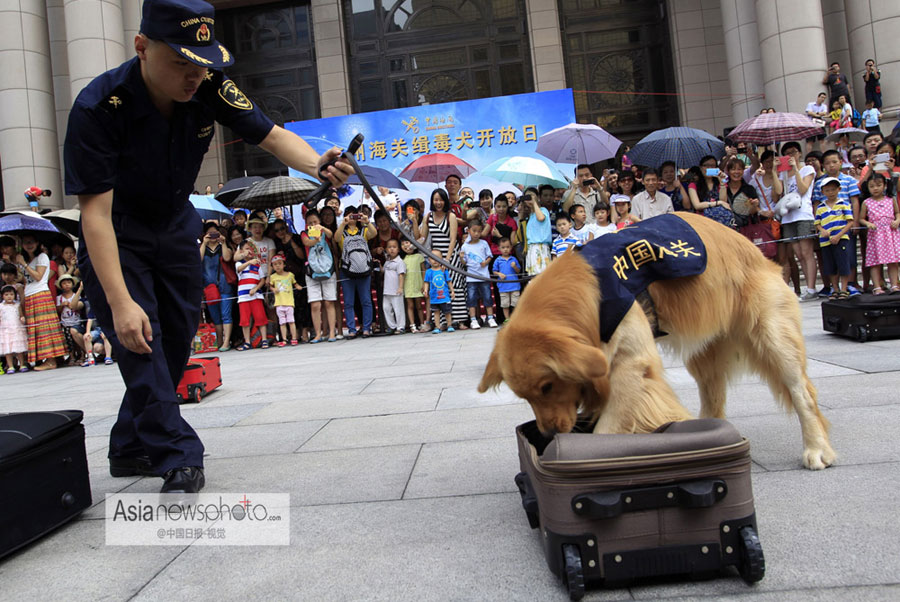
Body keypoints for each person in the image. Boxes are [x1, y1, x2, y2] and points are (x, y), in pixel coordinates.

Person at [63, 0, 352, 493]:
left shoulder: (211, 84)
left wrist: (317, 163)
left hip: (177, 224)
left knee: (174, 340)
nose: (194, 75)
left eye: (202, 62)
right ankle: (178, 453)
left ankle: (129, 445)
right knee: (141, 340)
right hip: (119, 233)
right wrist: (119, 302)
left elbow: (270, 134)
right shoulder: (98, 107)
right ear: (141, 47)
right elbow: (95, 215)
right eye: (180, 62)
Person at [812, 150, 863, 295]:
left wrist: (856, 221)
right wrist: (819, 226)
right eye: (827, 163)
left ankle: (850, 285)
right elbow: (816, 203)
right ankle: (835, 288)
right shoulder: (819, 184)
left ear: (841, 162)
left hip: (845, 224)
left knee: (849, 256)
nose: (831, 165)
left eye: (834, 162)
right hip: (827, 227)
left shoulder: (849, 180)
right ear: (823, 165)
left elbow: (854, 201)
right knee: (831, 260)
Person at [773, 141, 819, 301]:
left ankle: (811, 287)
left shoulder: (807, 169)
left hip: (803, 215)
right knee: (798, 254)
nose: (791, 155)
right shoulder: (783, 173)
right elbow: (778, 192)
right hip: (788, 217)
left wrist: (795, 169)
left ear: (799, 153)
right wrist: (774, 171)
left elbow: (803, 189)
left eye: (793, 152)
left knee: (806, 252)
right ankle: (809, 288)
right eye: (787, 153)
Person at [16, 235, 66, 370]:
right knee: (36, 329)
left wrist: (25, 264)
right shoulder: (26, 259)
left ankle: (51, 361)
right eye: (25, 243)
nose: (28, 245)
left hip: (40, 294)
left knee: (45, 328)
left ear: (37, 243)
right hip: (30, 295)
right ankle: (53, 358)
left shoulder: (42, 257)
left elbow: (38, 277)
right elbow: (26, 280)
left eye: (31, 242)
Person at [420, 188, 466, 328]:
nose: (438, 202)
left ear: (445, 201)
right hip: (436, 257)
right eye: (436, 200)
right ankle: (443, 322)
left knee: (455, 286)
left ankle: (459, 320)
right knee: (439, 287)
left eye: (441, 199)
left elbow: (453, 239)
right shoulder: (428, 216)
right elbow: (422, 237)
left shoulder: (450, 216)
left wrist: (447, 259)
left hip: (450, 255)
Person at [335, 206, 375, 338]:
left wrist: (367, 221)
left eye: (354, 215)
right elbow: (336, 238)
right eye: (349, 215)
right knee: (348, 302)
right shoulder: (343, 232)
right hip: (347, 270)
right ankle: (352, 329)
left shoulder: (363, 230)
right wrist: (343, 223)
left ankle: (367, 328)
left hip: (364, 269)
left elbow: (374, 233)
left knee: (366, 300)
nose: (352, 217)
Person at [271, 218, 311, 343]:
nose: (280, 232)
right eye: (277, 230)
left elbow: (302, 255)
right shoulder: (276, 243)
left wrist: (291, 242)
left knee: (302, 305)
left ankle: (304, 331)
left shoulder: (296, 237)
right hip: (283, 279)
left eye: (282, 228)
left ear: (286, 227)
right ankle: (293, 333)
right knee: (289, 306)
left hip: (298, 275)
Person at [301, 210, 338, 343]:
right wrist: (314, 240)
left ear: (320, 221)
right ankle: (318, 333)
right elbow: (306, 242)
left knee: (329, 301)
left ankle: (332, 332)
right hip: (312, 271)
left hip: (328, 269)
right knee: (315, 304)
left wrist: (322, 229)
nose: (313, 224)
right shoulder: (304, 233)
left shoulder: (325, 232)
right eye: (310, 223)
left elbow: (331, 235)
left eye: (315, 222)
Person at [859, 173, 900, 294]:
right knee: (875, 262)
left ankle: (894, 284)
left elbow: (897, 213)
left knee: (893, 261)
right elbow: (861, 218)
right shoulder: (866, 202)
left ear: (885, 185)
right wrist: (868, 224)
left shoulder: (891, 200)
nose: (875, 188)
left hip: (891, 233)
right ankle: (877, 286)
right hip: (876, 235)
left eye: (878, 185)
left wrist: (897, 221)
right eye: (872, 186)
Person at [814, 177, 854, 299]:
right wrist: (822, 230)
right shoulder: (820, 207)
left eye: (833, 189)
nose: (830, 192)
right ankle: (835, 289)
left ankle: (843, 289)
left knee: (843, 263)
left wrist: (839, 235)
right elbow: (817, 223)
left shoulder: (844, 204)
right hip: (825, 241)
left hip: (841, 238)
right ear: (823, 192)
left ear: (839, 189)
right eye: (827, 190)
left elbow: (850, 222)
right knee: (830, 265)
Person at [199, 221, 234, 351]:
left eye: (215, 233)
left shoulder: (223, 246)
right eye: (210, 233)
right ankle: (219, 340)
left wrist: (223, 242)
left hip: (225, 285)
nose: (213, 235)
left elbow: (227, 258)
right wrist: (204, 243)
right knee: (215, 316)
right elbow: (198, 260)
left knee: (226, 313)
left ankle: (226, 341)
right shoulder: (202, 247)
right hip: (209, 287)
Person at [459, 218, 496, 329]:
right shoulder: (465, 246)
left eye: (479, 231)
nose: (476, 233)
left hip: (484, 276)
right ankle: (473, 319)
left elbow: (490, 256)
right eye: (474, 231)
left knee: (487, 297)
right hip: (471, 277)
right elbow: (464, 263)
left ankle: (490, 318)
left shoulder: (483, 243)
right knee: (471, 299)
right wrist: (461, 258)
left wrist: (486, 262)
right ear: (469, 230)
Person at [234, 240, 268, 350]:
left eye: (251, 249)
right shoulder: (239, 263)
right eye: (247, 248)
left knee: (260, 318)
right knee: (245, 320)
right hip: (243, 297)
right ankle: (247, 342)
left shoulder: (257, 265)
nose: (249, 251)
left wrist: (256, 288)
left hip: (256, 295)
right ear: (241, 251)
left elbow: (262, 280)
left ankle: (264, 340)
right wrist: (249, 262)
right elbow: (239, 269)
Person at [268, 253, 302, 346]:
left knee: (291, 321)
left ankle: (294, 338)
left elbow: (294, 283)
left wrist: (298, 286)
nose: (278, 266)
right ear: (272, 267)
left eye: (279, 263)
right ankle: (284, 339)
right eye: (275, 264)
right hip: (279, 303)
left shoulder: (290, 275)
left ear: (284, 264)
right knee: (282, 323)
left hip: (289, 302)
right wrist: (273, 289)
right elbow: (270, 286)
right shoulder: (273, 277)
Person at [56, 273, 86, 364]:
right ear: (61, 286)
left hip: (76, 321)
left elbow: (80, 307)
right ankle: (72, 356)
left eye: (69, 282)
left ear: (73, 284)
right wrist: (62, 305)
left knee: (77, 340)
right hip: (65, 322)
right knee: (68, 340)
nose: (67, 285)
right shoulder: (59, 298)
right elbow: (58, 309)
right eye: (64, 283)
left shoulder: (76, 296)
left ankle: (82, 355)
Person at [423, 254, 455, 334]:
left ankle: (449, 325)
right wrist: (426, 290)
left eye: (437, 258)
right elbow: (426, 282)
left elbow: (449, 281)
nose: (435, 260)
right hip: (434, 297)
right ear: (429, 260)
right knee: (436, 312)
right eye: (432, 258)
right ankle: (437, 327)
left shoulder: (444, 270)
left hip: (445, 296)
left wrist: (452, 291)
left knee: (447, 312)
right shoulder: (428, 272)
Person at [0, 284, 28, 374]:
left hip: (17, 329)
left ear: (15, 295)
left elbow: (21, 315)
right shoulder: (1, 306)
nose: (9, 297)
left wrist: (22, 318)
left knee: (19, 348)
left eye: (11, 294)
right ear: (2, 296)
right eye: (6, 294)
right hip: (6, 330)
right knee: (7, 350)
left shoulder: (17, 305)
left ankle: (22, 364)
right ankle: (10, 366)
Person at [491, 237, 520, 322]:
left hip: (514, 286)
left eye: (507, 247)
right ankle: (507, 319)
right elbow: (494, 271)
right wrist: (499, 274)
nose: (505, 249)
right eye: (503, 247)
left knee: (516, 303)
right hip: (503, 287)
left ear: (511, 248)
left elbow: (518, 271)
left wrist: (515, 266)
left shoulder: (514, 259)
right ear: (499, 248)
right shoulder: (498, 260)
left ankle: (515, 319)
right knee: (505, 304)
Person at [401, 240, 427, 333]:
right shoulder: (402, 259)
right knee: (410, 305)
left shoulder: (419, 257)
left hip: (418, 283)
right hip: (408, 285)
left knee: (419, 305)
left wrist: (424, 283)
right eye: (403, 244)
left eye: (407, 242)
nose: (405, 245)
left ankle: (422, 324)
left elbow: (423, 270)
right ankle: (412, 325)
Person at [381, 239, 406, 334]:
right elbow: (383, 271)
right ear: (386, 249)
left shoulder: (400, 262)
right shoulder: (387, 262)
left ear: (398, 249)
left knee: (398, 309)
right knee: (386, 308)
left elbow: (401, 275)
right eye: (389, 247)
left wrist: (400, 287)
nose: (392, 249)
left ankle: (400, 326)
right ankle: (392, 326)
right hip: (387, 290)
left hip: (396, 290)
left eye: (394, 247)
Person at [522, 192, 551, 275]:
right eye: (527, 197)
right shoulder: (530, 215)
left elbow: (541, 218)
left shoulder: (543, 210)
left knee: (541, 274)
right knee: (532, 275)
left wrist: (534, 202)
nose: (529, 199)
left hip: (540, 246)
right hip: (531, 247)